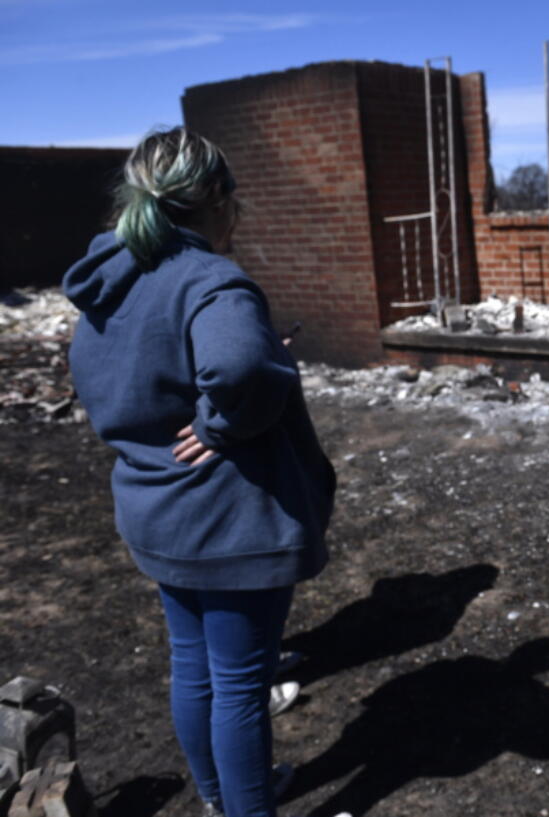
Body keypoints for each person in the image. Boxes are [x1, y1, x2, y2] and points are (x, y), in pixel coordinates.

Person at [64, 127, 337, 817]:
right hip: (228, 518)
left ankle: (220, 796)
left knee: (194, 666)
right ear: (215, 197)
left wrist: (220, 379)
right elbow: (239, 364)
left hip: (155, 508)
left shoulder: (109, 279)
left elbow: (122, 372)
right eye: (234, 198)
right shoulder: (211, 278)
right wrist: (223, 421)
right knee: (241, 684)